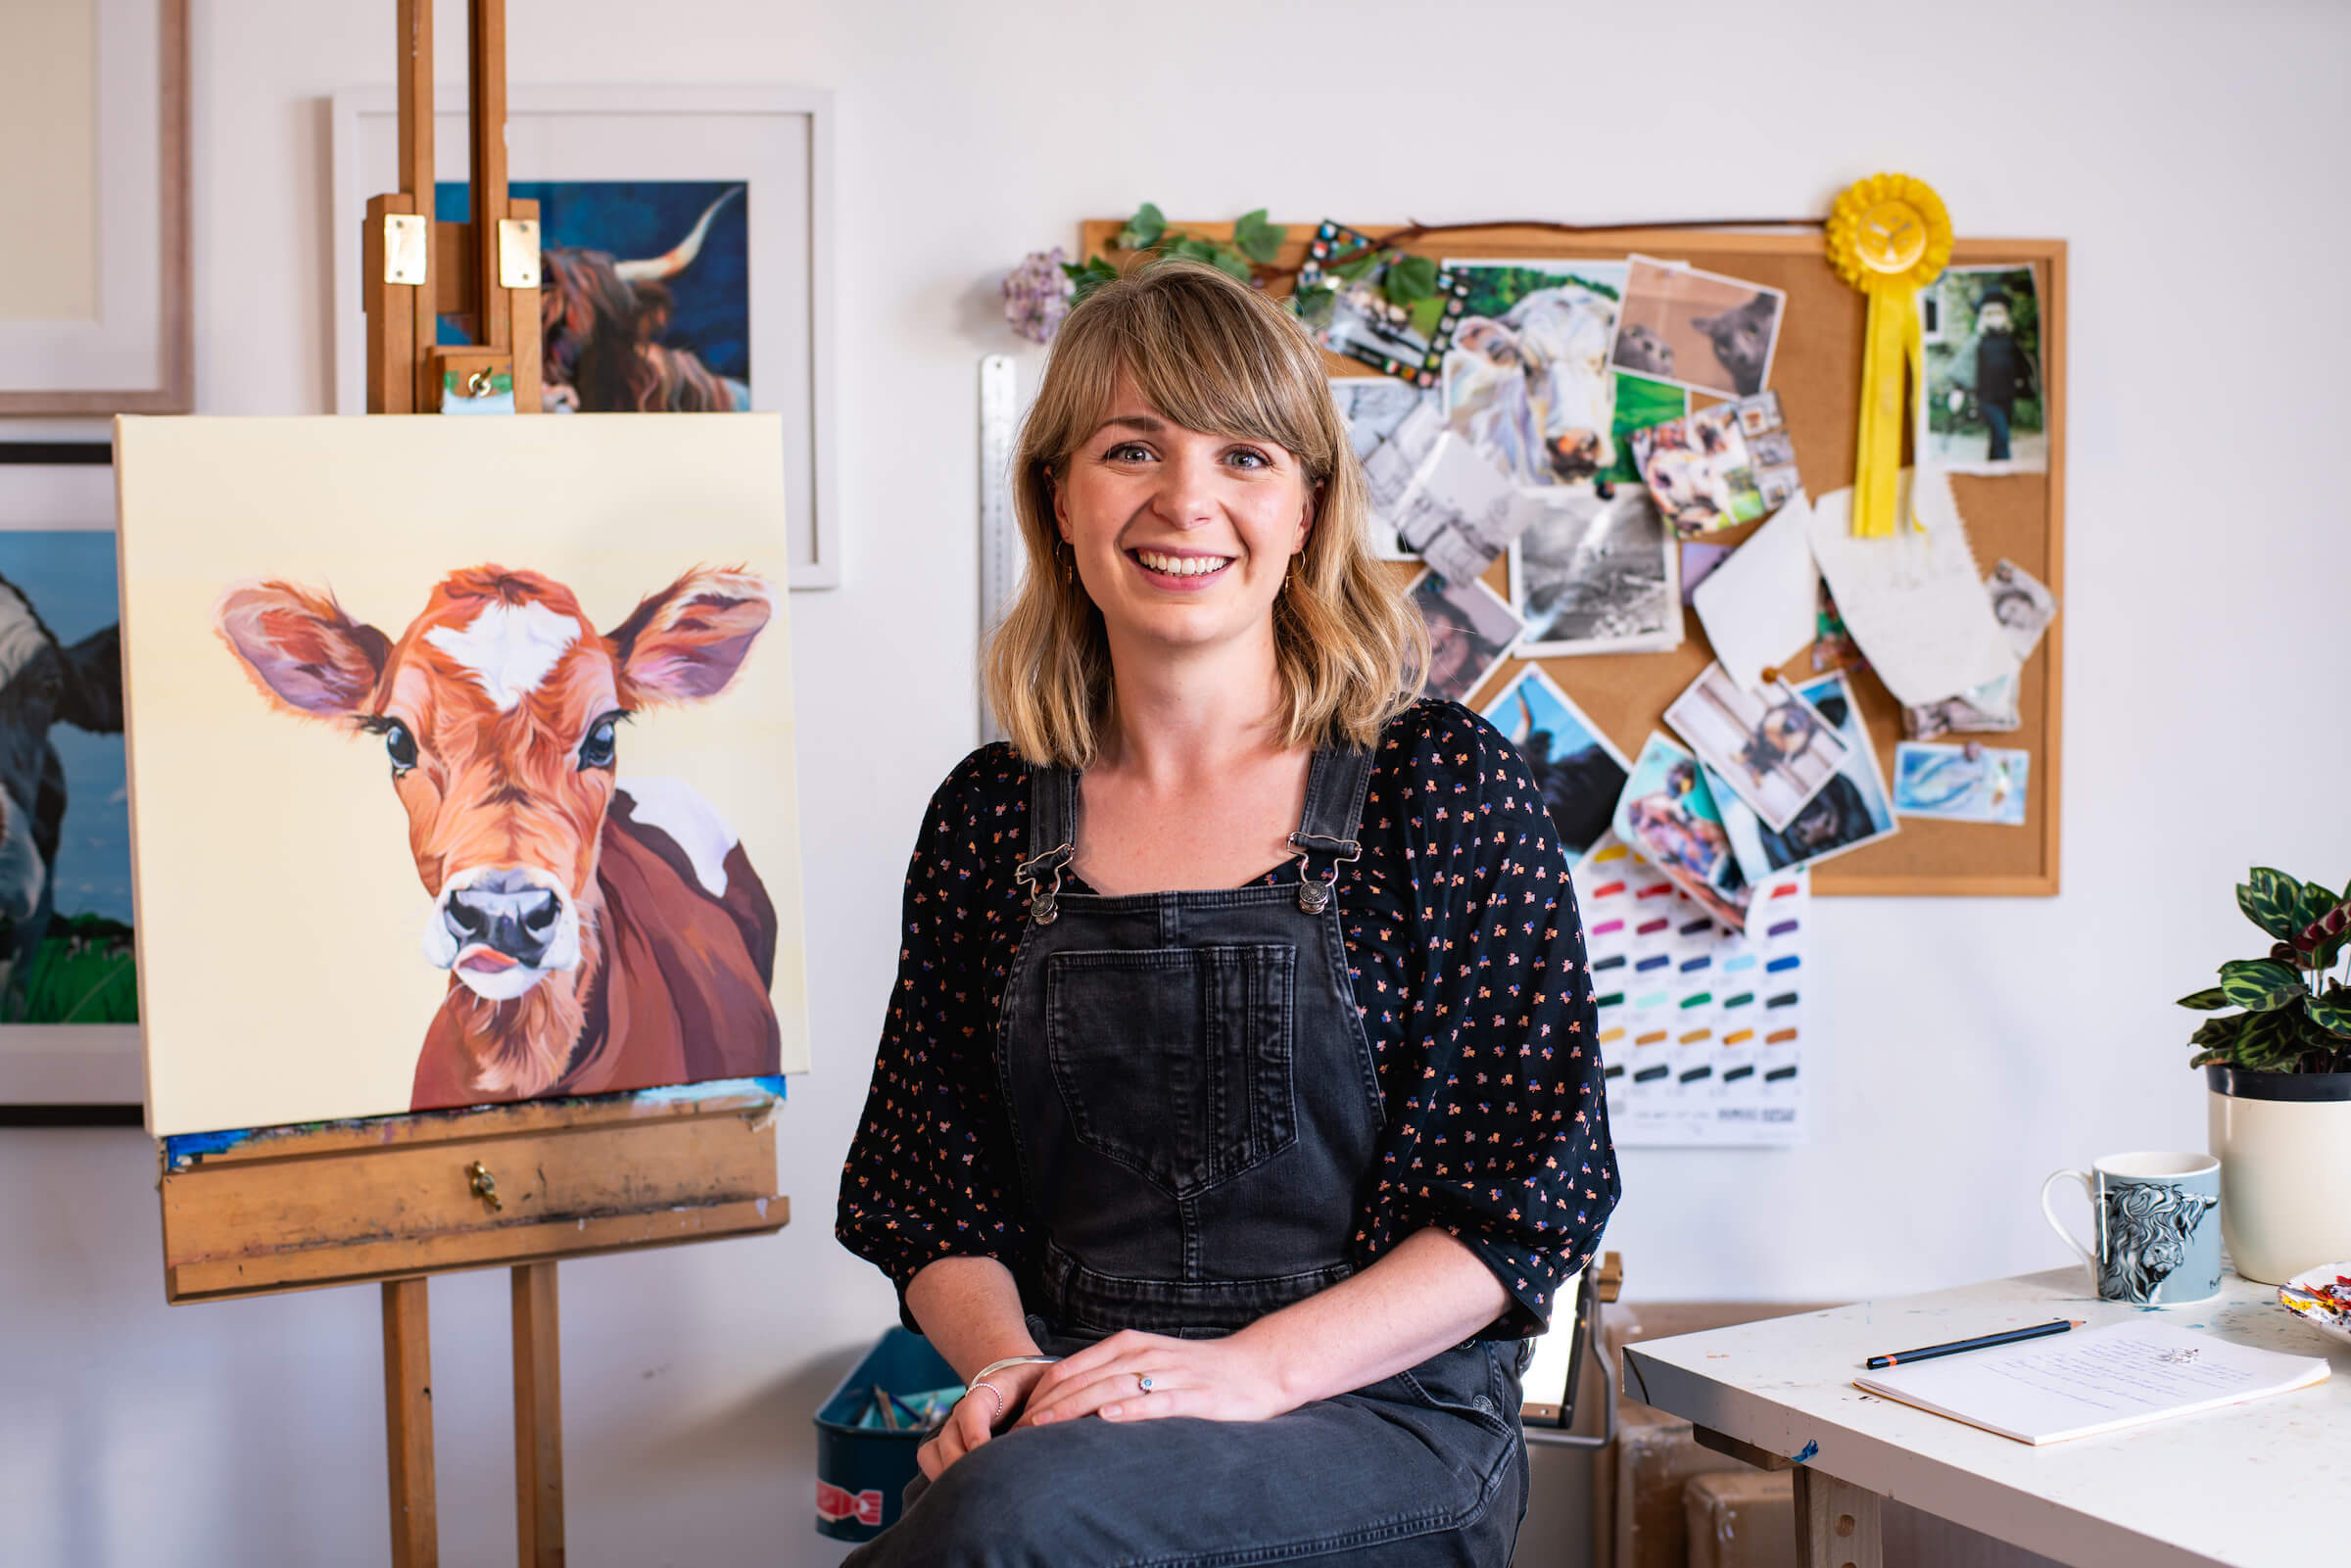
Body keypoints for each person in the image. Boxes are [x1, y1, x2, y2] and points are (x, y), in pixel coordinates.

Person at [837, 258, 1620, 1567]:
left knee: (1009, 1528)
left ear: (1307, 507)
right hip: (1080, 1409)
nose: (1185, 500)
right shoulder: (987, 815)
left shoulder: (1438, 786)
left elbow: (1528, 1197)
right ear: (1060, 499)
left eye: (1243, 455)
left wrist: (1251, 1370)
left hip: (1383, 1415)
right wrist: (1011, 1373)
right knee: (1013, 1512)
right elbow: (932, 1190)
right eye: (1131, 449)